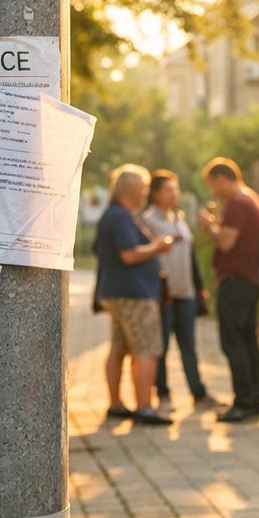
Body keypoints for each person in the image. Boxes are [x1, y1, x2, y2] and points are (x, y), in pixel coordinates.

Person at [95, 163, 174, 425]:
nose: (146, 195)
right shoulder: (120, 217)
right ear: (135, 190)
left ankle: (117, 404)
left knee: (119, 347)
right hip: (134, 294)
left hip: (118, 291)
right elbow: (129, 254)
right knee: (147, 348)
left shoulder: (115, 215)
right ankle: (144, 407)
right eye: (145, 189)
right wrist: (157, 247)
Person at [198, 156, 259, 423]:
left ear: (223, 178)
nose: (213, 192)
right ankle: (254, 399)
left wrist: (208, 225)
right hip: (248, 280)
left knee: (234, 342)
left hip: (236, 281)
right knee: (248, 341)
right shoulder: (251, 199)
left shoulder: (238, 203)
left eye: (213, 185)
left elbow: (226, 243)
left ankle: (244, 401)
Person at [139, 170, 213, 408]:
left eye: (176, 188)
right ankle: (163, 394)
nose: (174, 193)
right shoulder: (148, 221)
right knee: (161, 346)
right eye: (169, 189)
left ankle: (198, 393)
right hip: (163, 293)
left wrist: (200, 286)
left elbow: (190, 256)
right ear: (156, 193)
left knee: (188, 344)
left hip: (186, 291)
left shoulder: (179, 218)